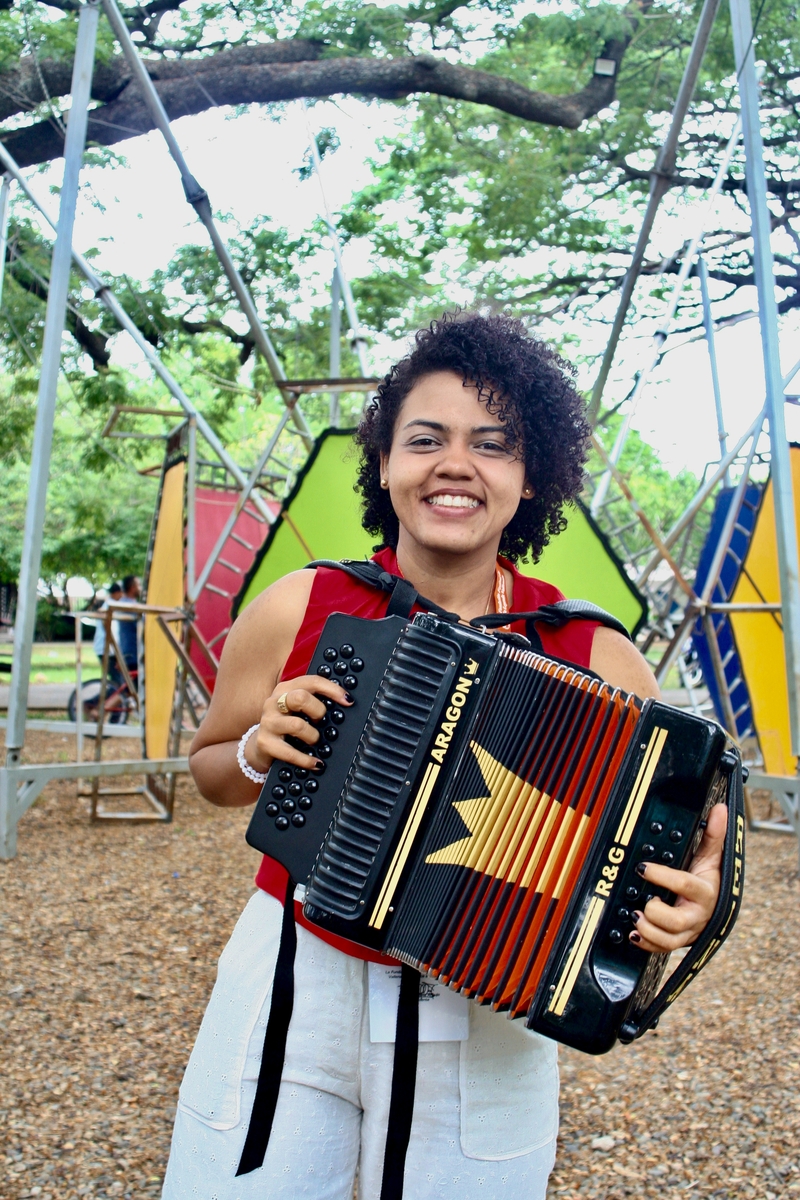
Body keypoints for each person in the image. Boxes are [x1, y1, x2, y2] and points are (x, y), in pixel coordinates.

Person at [162, 314, 727, 1199]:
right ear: (385, 464)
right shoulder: (301, 603)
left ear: (530, 477)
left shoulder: (597, 653)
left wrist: (688, 901)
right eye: (425, 440)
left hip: (487, 1015)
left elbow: (673, 844)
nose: (454, 464)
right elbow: (210, 770)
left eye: (491, 444)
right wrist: (257, 754)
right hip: (290, 978)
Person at [92, 581, 122, 683]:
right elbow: (111, 631)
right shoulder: (109, 607)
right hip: (107, 649)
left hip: (108, 649)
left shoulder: (112, 606)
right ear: (117, 593)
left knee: (118, 681)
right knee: (118, 682)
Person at [117, 574, 141, 676]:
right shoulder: (129, 606)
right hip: (133, 653)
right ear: (132, 588)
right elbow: (142, 625)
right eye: (139, 585)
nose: (141, 588)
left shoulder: (125, 603)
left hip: (129, 652)